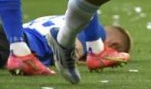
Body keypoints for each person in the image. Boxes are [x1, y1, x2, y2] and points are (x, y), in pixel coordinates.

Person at [0, 15, 131, 72]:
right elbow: (74, 49)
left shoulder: (66, 16)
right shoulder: (96, 32)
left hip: (10, 34)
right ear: (114, 45)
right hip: (23, 44)